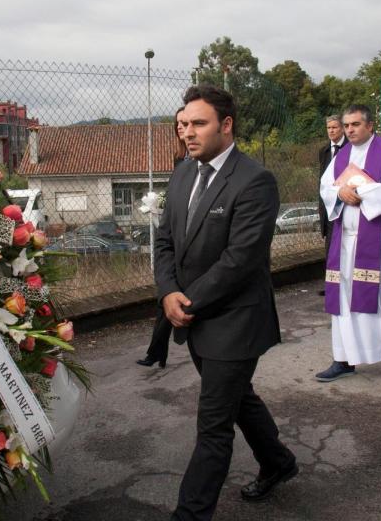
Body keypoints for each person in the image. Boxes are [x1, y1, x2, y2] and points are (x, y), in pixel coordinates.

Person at [155, 85, 297, 519]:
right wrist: (167, 292)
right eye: (183, 125)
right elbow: (164, 240)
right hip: (192, 316)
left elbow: (241, 260)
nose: (188, 133)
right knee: (239, 398)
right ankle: (279, 462)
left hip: (234, 322)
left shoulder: (255, 180)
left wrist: (186, 299)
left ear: (226, 125)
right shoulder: (183, 172)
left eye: (198, 124)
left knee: (214, 425)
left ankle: (190, 513)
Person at [315, 104, 381, 382]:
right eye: (346, 125)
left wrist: (357, 191)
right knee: (343, 301)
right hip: (346, 242)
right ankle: (343, 359)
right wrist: (341, 191)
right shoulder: (341, 156)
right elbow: (326, 186)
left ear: (370, 125)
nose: (349, 130)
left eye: (355, 124)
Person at [138, 107, 189, 368]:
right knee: (165, 297)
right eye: (178, 124)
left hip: (191, 240)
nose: (182, 128)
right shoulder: (180, 158)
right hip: (175, 237)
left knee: (169, 299)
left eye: (186, 122)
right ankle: (157, 352)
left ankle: (157, 352)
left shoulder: (200, 159)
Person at [317, 115, 346, 296]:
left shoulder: (350, 149)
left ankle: (346, 283)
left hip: (344, 204)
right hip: (328, 205)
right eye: (329, 128)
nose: (331, 131)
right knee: (330, 249)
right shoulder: (324, 151)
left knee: (345, 246)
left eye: (335, 127)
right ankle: (331, 285)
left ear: (342, 128)